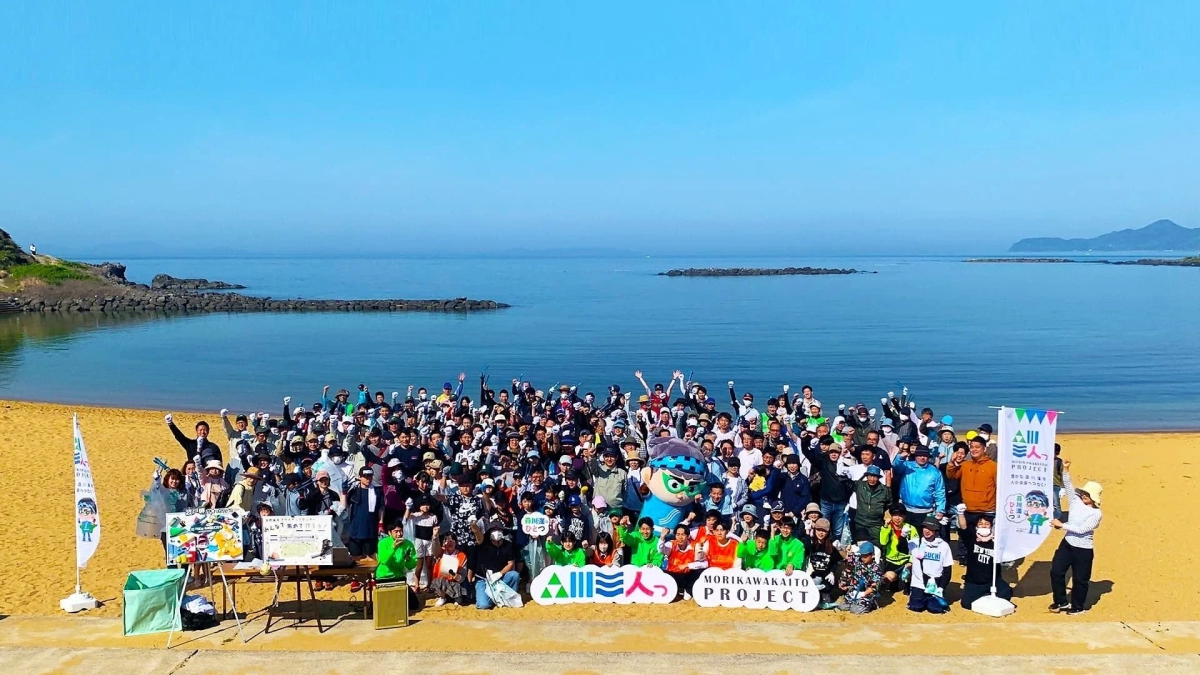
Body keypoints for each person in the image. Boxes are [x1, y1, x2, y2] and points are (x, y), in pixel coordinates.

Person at [1049, 459, 1103, 615]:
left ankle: (1078, 607)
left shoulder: (1096, 514)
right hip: (1067, 544)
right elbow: (1068, 485)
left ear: (1094, 498)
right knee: (1056, 572)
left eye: (1088, 494)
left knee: (1080, 580)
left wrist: (1062, 525)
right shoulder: (1075, 501)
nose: (1085, 496)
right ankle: (1061, 601)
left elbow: (1082, 529)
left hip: (1083, 550)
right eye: (1084, 493)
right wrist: (1065, 470)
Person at [946, 436, 997, 547]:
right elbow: (952, 474)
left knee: (987, 541)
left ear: (984, 449)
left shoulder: (993, 466)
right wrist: (951, 462)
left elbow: (999, 487)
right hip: (968, 510)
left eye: (977, 447)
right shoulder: (965, 465)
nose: (974, 449)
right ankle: (967, 560)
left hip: (987, 511)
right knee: (968, 539)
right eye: (972, 447)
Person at [960, 514, 1013, 610]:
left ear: (991, 527)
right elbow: (963, 527)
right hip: (975, 581)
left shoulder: (997, 542)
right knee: (967, 604)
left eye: (986, 524)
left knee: (1006, 594)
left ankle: (987, 593)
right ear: (976, 527)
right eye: (981, 524)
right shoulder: (971, 539)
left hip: (992, 580)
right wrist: (960, 513)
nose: (984, 526)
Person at [907, 517, 953, 614]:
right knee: (916, 606)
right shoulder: (916, 542)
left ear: (936, 531)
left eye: (931, 529)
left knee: (935, 609)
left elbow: (947, 570)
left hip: (935, 583)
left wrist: (941, 587)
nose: (927, 531)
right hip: (919, 582)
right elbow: (902, 548)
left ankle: (932, 598)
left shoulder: (944, 546)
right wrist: (902, 536)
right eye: (925, 527)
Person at [468, 522, 519, 610]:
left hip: (500, 579)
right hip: (483, 579)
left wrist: (500, 573)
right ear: (489, 532)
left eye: (499, 529)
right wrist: (473, 524)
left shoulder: (508, 545)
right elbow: (478, 534)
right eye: (494, 530)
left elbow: (511, 563)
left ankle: (507, 598)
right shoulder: (483, 543)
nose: (497, 532)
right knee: (483, 605)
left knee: (514, 575)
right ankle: (495, 597)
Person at [376, 520, 421, 613]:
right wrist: (393, 548)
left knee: (414, 604)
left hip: (399, 577)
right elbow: (383, 560)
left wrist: (408, 560)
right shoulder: (383, 543)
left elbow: (412, 565)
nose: (399, 534)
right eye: (396, 531)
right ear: (389, 532)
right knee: (385, 605)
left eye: (401, 531)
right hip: (384, 577)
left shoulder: (408, 544)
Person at [345, 467, 384, 559]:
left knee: (371, 557)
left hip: (371, 530)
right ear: (360, 477)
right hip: (355, 530)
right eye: (365, 476)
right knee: (355, 557)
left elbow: (381, 508)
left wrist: (381, 523)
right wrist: (344, 492)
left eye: (370, 476)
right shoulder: (354, 491)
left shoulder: (377, 491)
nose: (368, 479)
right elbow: (344, 505)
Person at [405, 496, 440, 591]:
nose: (426, 507)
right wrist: (408, 508)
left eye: (427, 505)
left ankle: (430, 585)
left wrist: (436, 533)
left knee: (429, 564)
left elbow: (435, 528)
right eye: (423, 505)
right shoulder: (416, 515)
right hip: (419, 541)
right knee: (419, 565)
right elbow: (406, 519)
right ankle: (417, 585)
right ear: (419, 506)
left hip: (429, 541)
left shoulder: (433, 517)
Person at [836, 541, 882, 614]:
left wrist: (863, 594)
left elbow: (874, 587)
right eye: (862, 555)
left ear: (872, 555)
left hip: (866, 594)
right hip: (854, 591)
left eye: (866, 556)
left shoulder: (876, 569)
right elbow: (848, 561)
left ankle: (872, 604)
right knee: (842, 606)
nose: (863, 558)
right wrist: (844, 582)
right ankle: (854, 602)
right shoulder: (858, 559)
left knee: (855, 610)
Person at [805, 518, 842, 609]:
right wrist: (807, 531)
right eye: (818, 530)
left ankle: (824, 598)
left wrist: (832, 572)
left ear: (828, 532)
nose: (821, 533)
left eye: (824, 531)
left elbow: (836, 561)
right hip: (813, 574)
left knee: (827, 590)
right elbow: (806, 548)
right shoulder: (811, 542)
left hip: (826, 575)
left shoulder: (831, 545)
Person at [851, 465, 891, 545]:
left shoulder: (885, 490)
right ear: (866, 476)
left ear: (878, 478)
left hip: (875, 525)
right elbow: (844, 482)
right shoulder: (859, 485)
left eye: (875, 477)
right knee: (860, 548)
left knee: (876, 547)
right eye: (870, 476)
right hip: (860, 523)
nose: (872, 479)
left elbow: (889, 506)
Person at [660, 524, 702, 599]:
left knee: (699, 571)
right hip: (674, 575)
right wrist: (662, 537)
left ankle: (688, 590)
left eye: (683, 534)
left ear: (688, 536)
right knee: (662, 572)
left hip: (688, 576)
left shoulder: (695, 545)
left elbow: (704, 563)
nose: (680, 537)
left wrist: (687, 565)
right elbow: (661, 550)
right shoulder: (671, 544)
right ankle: (675, 590)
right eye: (678, 534)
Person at [430, 533, 470, 606]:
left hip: (456, 582)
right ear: (443, 543)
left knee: (460, 584)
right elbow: (435, 550)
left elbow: (463, 575)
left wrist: (457, 577)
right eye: (447, 541)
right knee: (439, 581)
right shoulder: (440, 553)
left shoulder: (462, 556)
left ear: (456, 542)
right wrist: (435, 537)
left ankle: (457, 597)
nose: (449, 543)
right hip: (442, 581)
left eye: (452, 541)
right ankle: (443, 597)